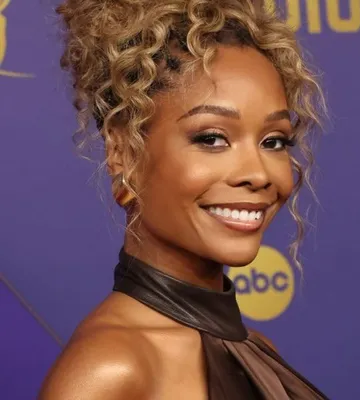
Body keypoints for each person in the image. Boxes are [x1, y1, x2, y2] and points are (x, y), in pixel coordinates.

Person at [39, 0, 328, 398]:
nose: (259, 174)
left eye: (273, 141)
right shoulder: (111, 370)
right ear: (123, 151)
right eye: (212, 138)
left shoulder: (257, 352)